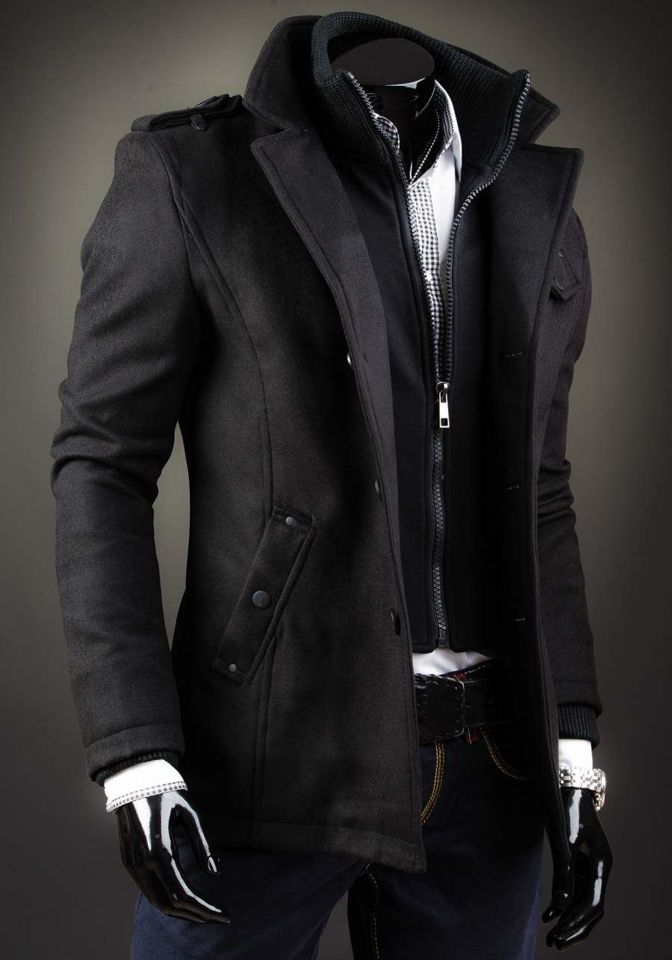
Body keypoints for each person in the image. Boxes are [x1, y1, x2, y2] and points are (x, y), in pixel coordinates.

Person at [49, 11, 612, 958]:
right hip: (271, 754)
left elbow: (540, 492)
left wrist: (574, 745)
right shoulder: (195, 176)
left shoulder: (527, 198)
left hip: (495, 767)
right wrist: (136, 752)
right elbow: (102, 466)